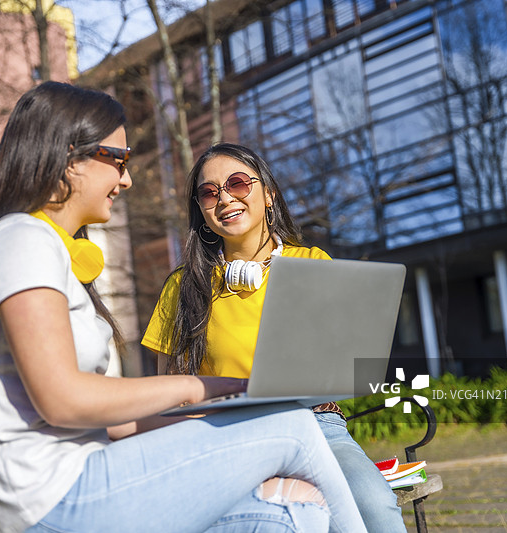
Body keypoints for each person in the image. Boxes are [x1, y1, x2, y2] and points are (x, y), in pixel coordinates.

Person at [0, 82, 368, 533]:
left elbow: (108, 423)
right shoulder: (22, 242)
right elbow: (64, 400)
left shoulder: (45, 250)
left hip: (81, 474)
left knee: (296, 512)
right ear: (71, 158)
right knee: (294, 428)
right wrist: (195, 388)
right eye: (119, 160)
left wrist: (221, 402)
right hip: (44, 499)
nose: (126, 179)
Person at [142, 142, 406, 532]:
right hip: (228, 436)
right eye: (209, 192)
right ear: (200, 209)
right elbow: (165, 390)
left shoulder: (315, 264)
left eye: (237, 183)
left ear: (268, 194)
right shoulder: (183, 288)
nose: (225, 198)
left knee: (374, 506)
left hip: (315, 426)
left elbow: (350, 364)